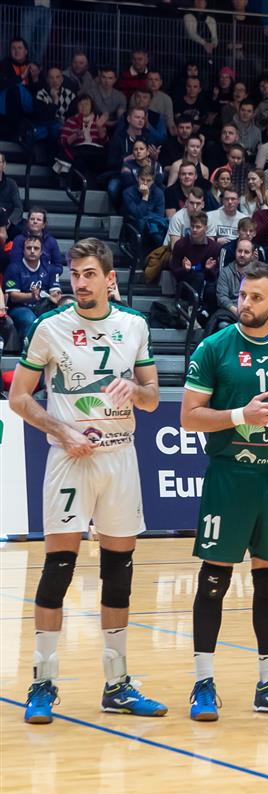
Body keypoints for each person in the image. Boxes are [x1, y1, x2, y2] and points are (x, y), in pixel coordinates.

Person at [10, 239, 165, 723]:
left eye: (89, 274)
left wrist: (135, 389)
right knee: (58, 567)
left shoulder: (134, 325)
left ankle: (117, 684)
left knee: (119, 571)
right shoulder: (48, 327)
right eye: (75, 274)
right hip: (70, 459)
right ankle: (42, 682)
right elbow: (19, 398)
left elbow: (153, 398)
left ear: (109, 278)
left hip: (120, 457)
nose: (79, 283)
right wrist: (62, 431)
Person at [181, 262, 268, 721]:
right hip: (229, 477)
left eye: (256, 297)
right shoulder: (214, 347)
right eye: (242, 295)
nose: (245, 303)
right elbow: (189, 416)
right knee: (214, 581)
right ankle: (203, 683)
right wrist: (242, 415)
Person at [4, 233, 59, 342]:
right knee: (29, 318)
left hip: (43, 306)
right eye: (29, 248)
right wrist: (32, 296)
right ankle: (26, 350)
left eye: (36, 248)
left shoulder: (51, 269)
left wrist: (55, 297)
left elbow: (55, 292)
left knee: (54, 316)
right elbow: (13, 296)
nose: (32, 251)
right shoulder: (13, 268)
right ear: (23, 251)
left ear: (41, 251)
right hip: (19, 307)